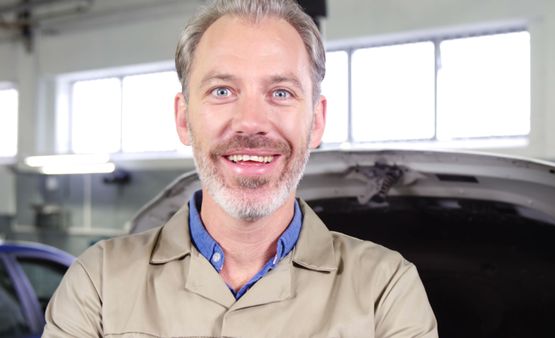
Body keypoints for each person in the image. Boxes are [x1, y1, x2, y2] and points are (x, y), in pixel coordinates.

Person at [43, 0, 439, 337]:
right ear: (184, 118)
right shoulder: (98, 282)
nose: (251, 121)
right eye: (222, 91)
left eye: (280, 92)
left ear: (316, 121)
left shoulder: (385, 290)